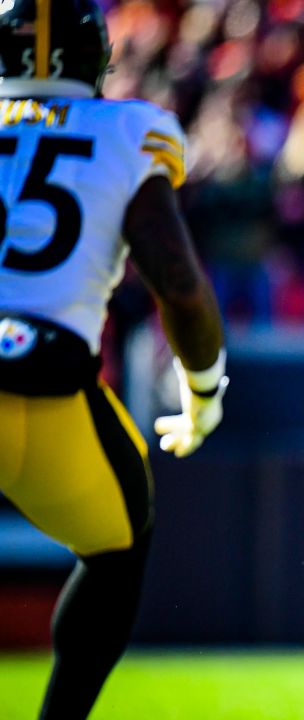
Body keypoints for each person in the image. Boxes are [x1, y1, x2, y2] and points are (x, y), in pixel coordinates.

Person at [0, 1, 228, 717]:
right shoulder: (127, 130)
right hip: (48, 390)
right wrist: (203, 391)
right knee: (118, 545)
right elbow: (180, 285)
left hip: (48, 380)